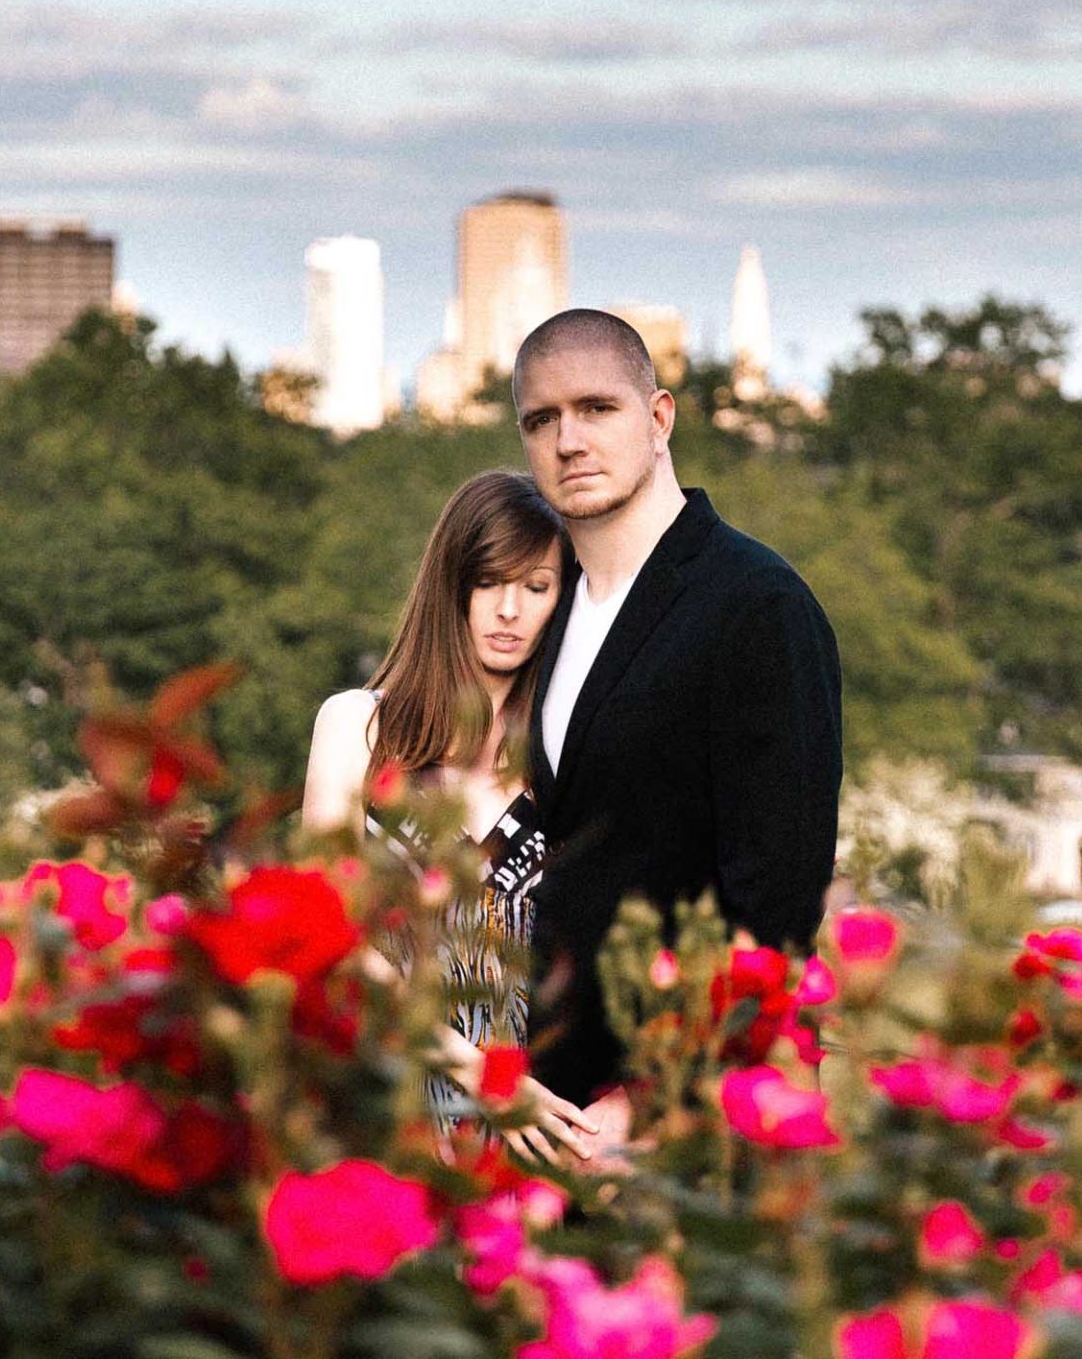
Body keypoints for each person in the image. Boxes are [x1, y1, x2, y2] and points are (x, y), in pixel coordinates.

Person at [512, 308, 844, 1125]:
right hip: (545, 1111)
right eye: (541, 419)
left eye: (597, 409)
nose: (569, 441)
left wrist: (649, 1105)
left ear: (658, 418)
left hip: (670, 1130)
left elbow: (776, 910)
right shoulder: (546, 611)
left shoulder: (756, 606)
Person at [300, 471, 601, 1166]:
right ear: (452, 585)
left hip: (533, 1128)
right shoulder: (359, 729)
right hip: (385, 1112)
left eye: (535, 587)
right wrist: (472, 1069)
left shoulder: (566, 761)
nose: (509, 611)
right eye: (489, 581)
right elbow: (331, 935)